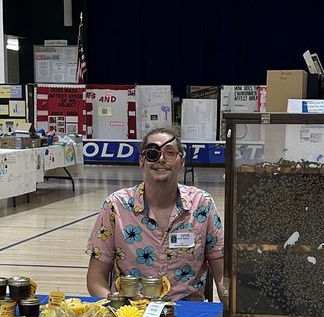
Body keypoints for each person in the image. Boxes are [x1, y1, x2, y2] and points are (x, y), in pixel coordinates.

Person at [86, 126, 225, 303]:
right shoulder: (116, 206)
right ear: (141, 161)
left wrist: (234, 311)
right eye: (153, 153)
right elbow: (96, 279)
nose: (161, 159)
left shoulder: (202, 204)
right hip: (131, 309)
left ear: (182, 162)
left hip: (187, 310)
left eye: (170, 153)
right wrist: (119, 308)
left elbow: (222, 276)